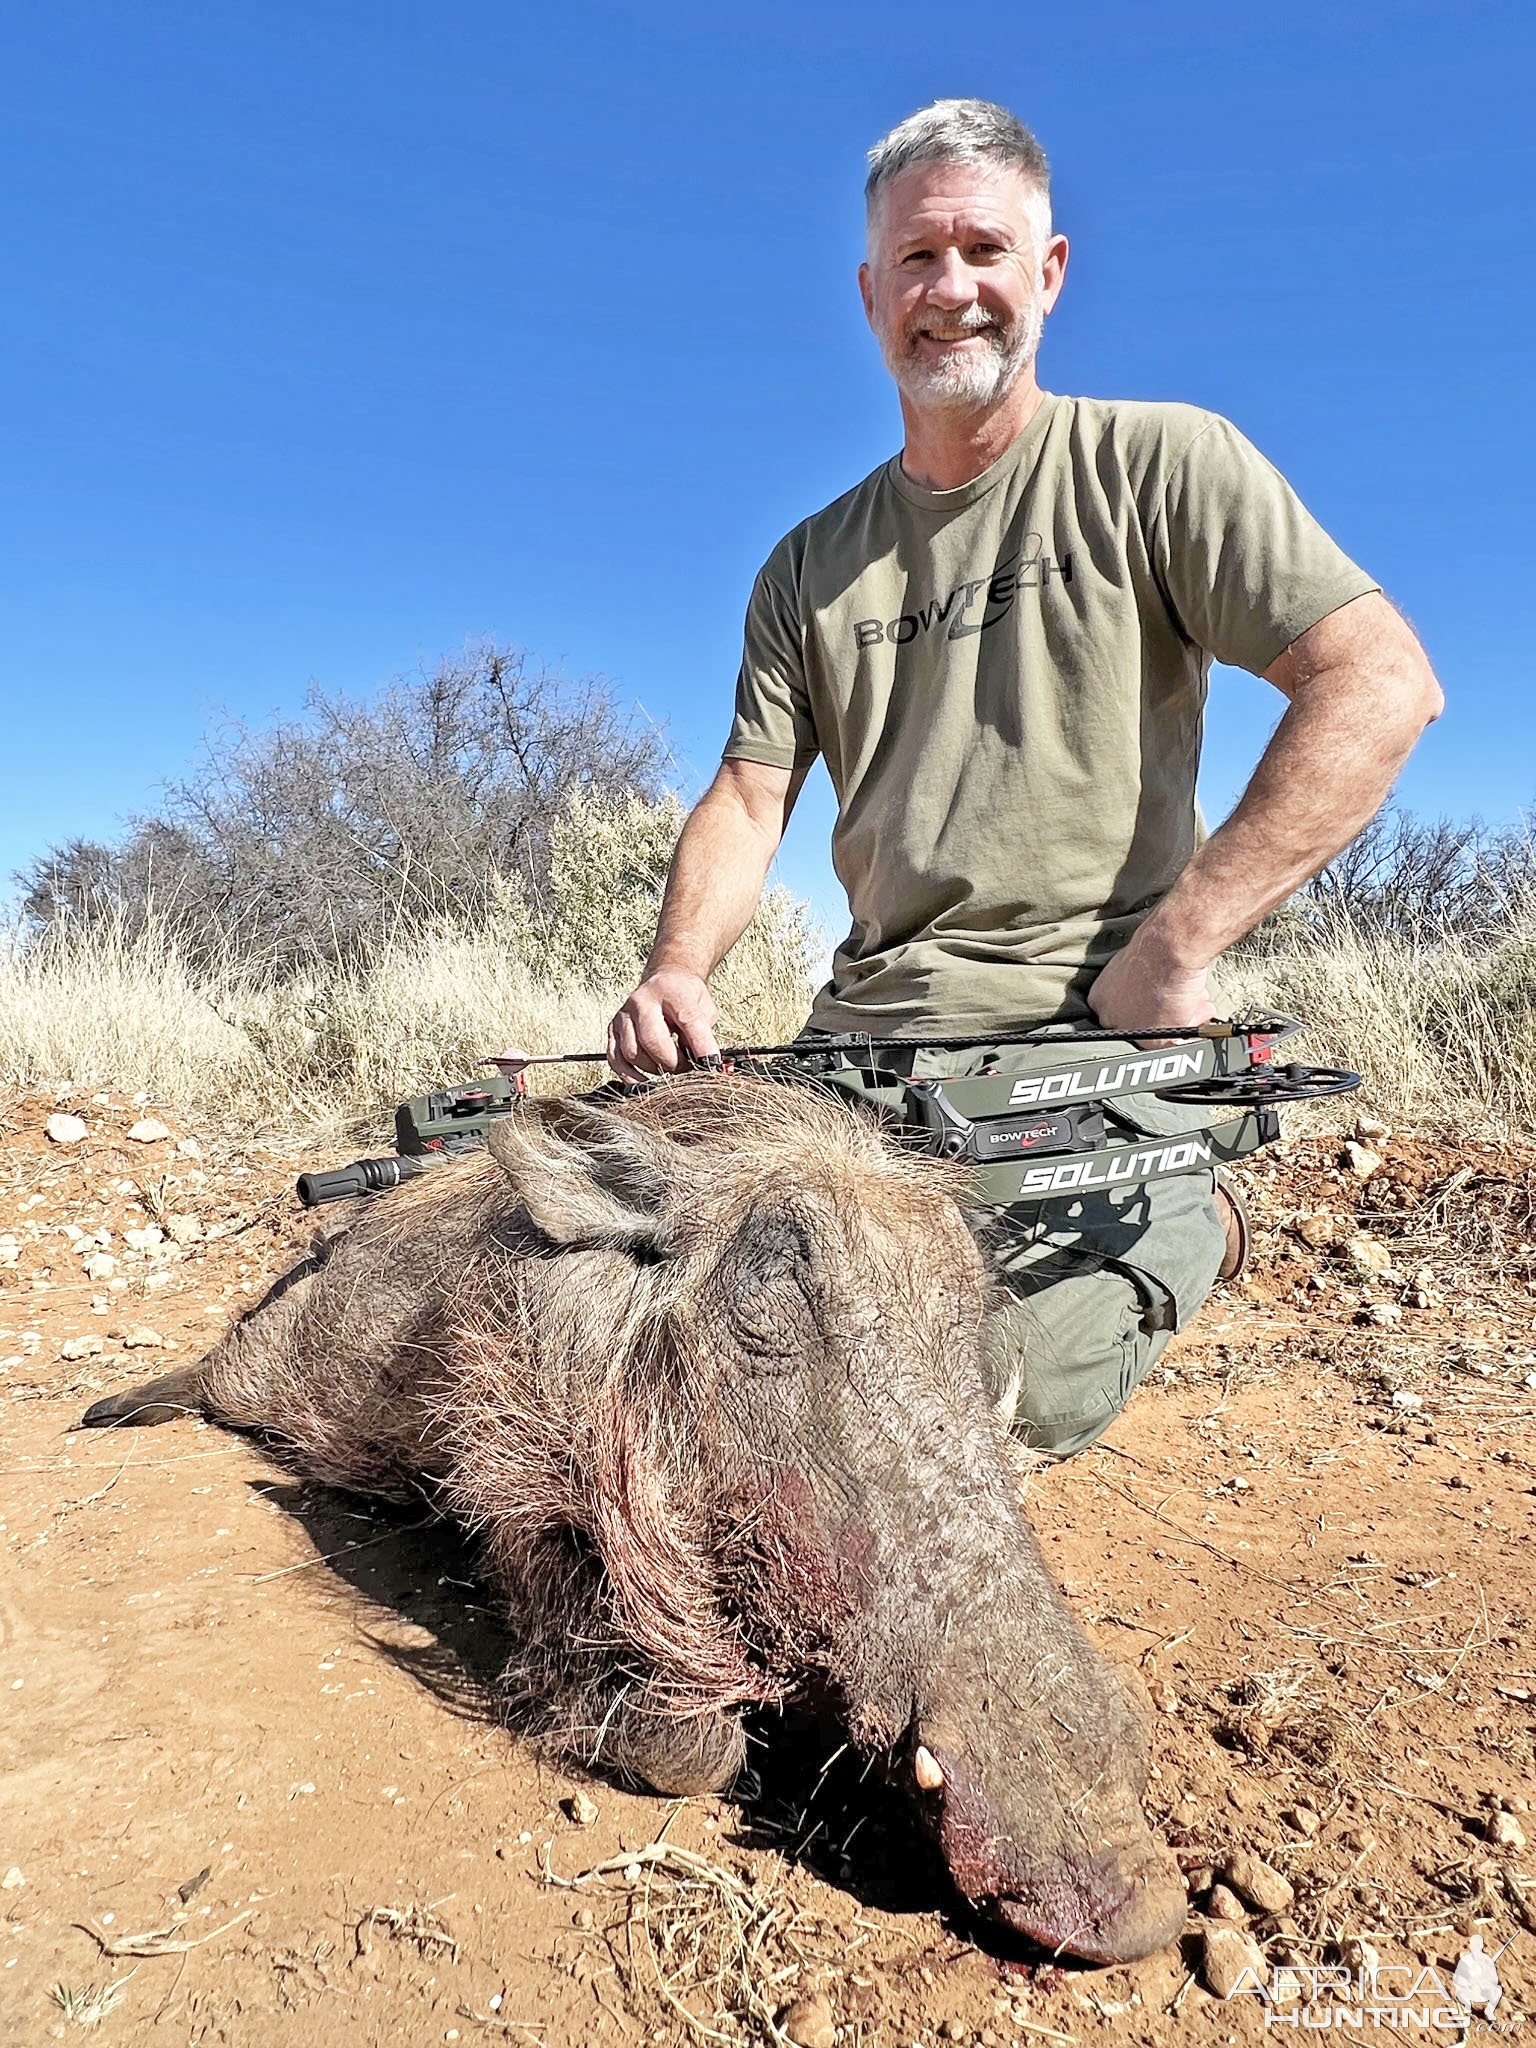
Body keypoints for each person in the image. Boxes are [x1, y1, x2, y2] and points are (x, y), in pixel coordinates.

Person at [607, 98, 1443, 1455]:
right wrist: (678, 971)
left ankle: (1202, 1198)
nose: (953, 292)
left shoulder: (1164, 465)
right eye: (918, 262)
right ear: (872, 293)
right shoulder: (807, 564)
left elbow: (1381, 681)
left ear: (1047, 272)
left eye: (985, 252)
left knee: (939, 1413)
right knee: (608, 1300)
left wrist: (1178, 947)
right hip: (851, 1054)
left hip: (1084, 1047)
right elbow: (753, 790)